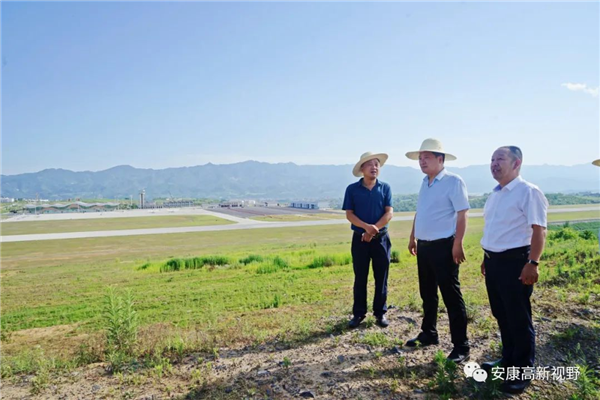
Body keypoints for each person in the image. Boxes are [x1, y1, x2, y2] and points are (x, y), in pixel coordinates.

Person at [480, 146, 548, 395]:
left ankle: (523, 371)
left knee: (518, 317)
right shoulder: (495, 194)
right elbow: (496, 229)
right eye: (492, 159)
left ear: (516, 163)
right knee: (502, 314)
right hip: (494, 262)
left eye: (500, 159)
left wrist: (533, 263)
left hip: (516, 263)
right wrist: (487, 257)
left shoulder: (528, 192)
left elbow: (539, 230)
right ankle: (508, 360)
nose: (494, 163)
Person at [404, 138, 471, 364]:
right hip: (424, 246)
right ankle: (429, 333)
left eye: (427, 157)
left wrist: (458, 243)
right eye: (420, 158)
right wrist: (413, 237)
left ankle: (461, 346)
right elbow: (421, 211)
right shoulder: (425, 182)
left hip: (444, 246)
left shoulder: (453, 181)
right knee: (427, 293)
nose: (422, 161)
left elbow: (462, 213)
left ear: (440, 159)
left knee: (451, 296)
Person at [343, 152, 394, 329]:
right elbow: (349, 214)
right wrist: (366, 228)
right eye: (370, 164)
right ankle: (359, 313)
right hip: (360, 240)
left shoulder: (385, 188)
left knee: (382, 276)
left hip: (381, 239)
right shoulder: (352, 189)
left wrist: (373, 230)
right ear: (362, 168)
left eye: (377, 164)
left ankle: (380, 313)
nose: (374, 167)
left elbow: (389, 213)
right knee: (360, 277)